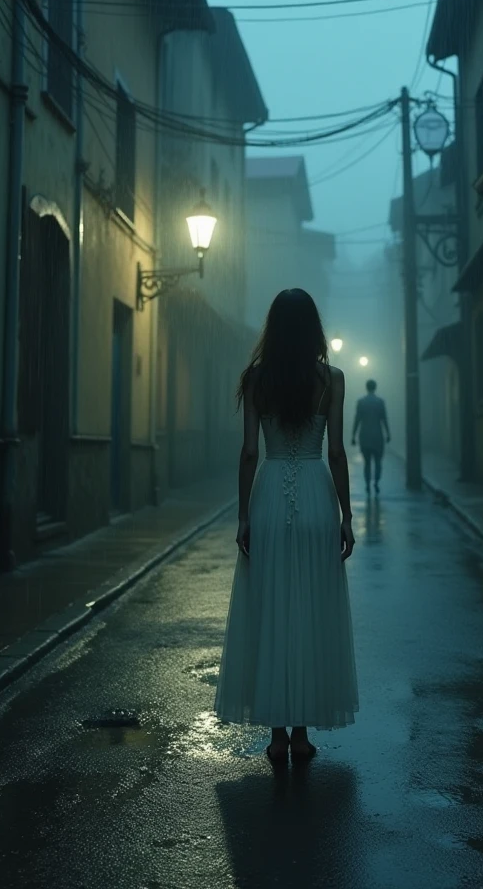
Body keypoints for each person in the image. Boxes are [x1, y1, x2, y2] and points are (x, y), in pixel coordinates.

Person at [214, 289, 358, 765]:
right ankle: (301, 734)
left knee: (271, 606)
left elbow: (250, 453)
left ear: (272, 329)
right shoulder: (331, 379)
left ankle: (276, 734)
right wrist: (347, 514)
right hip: (317, 495)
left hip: (270, 496)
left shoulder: (256, 379)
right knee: (311, 608)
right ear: (314, 329)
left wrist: (242, 515)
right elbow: (336, 452)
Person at [351, 379, 391, 495]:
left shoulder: (361, 402)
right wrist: (388, 434)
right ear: (375, 387)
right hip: (378, 436)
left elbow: (357, 419)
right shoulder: (380, 402)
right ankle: (376, 483)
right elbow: (384, 419)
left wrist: (353, 435)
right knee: (378, 462)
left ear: (366, 387)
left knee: (367, 463)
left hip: (365, 436)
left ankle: (368, 484)